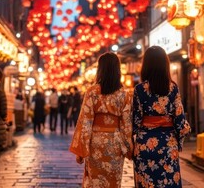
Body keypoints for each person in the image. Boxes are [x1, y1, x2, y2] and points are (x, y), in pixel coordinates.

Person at [69, 52, 133, 187]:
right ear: (118, 70)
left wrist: (81, 150)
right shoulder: (124, 94)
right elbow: (126, 124)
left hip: (95, 143)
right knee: (113, 181)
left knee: (95, 181)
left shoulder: (92, 92)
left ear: (100, 69)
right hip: (115, 143)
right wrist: (128, 148)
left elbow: (85, 121)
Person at [132, 46, 191, 188]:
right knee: (169, 182)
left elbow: (135, 120)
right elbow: (180, 121)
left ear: (146, 65)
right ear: (165, 65)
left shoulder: (139, 89)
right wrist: (180, 140)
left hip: (145, 144)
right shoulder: (173, 88)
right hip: (167, 144)